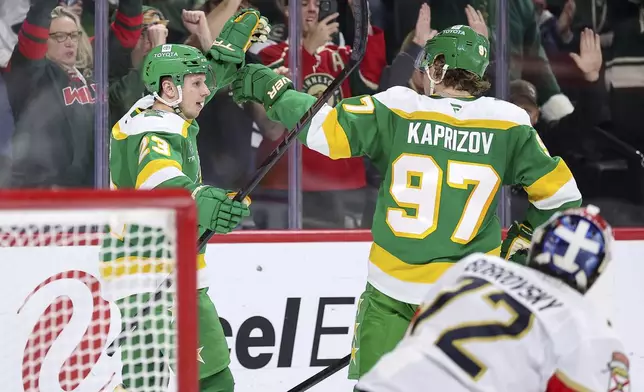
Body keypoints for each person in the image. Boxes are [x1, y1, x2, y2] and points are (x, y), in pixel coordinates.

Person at [229, 19, 583, 385]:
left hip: (391, 292)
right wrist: (519, 246)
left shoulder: (400, 107)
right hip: (469, 296)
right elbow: (562, 197)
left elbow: (323, 129)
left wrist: (273, 90)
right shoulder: (509, 122)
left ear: (439, 66)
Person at [102, 9, 269, 392]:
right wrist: (204, 200)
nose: (206, 90)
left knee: (187, 379)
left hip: (165, 268)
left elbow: (207, 80)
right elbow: (159, 179)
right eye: (196, 83)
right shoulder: (152, 131)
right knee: (181, 381)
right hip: (150, 273)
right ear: (169, 88)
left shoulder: (160, 109)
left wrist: (224, 53)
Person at [355, 205, 629, 392]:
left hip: (383, 384)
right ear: (596, 272)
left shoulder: (473, 266)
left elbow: (418, 328)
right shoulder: (589, 325)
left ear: (537, 243)